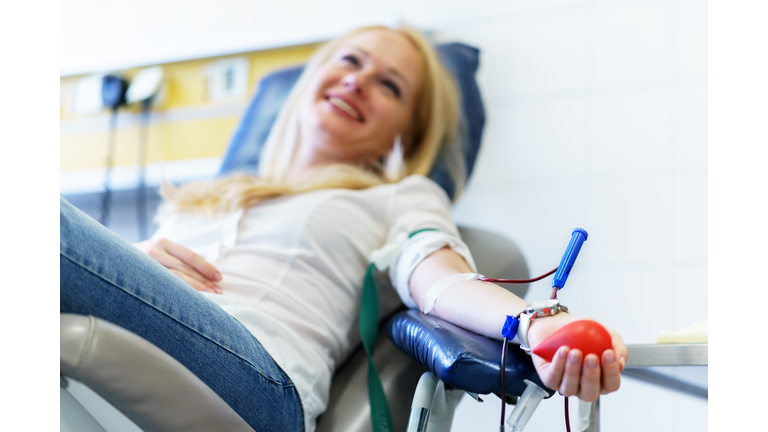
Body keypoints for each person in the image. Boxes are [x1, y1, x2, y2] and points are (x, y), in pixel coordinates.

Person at [60, 25, 627, 432]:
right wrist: (130, 258)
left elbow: (439, 280)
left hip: (259, 376)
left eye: (390, 85)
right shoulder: (202, 196)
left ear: (406, 132)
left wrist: (536, 323)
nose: (358, 82)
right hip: (152, 336)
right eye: (351, 61)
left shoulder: (397, 195)